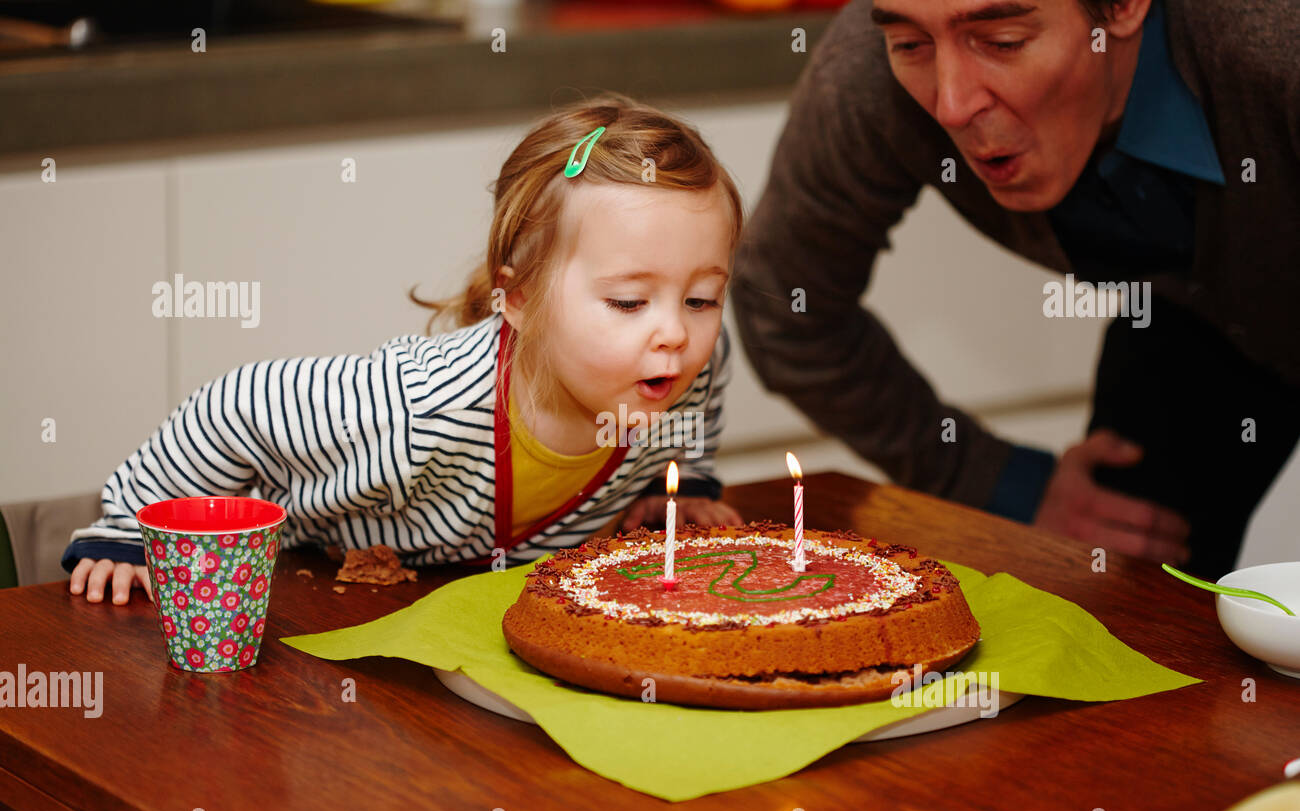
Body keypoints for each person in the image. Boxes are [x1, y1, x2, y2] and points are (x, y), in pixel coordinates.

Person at [66, 94, 743, 605]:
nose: (676, 335)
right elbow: (239, 406)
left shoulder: (684, 363)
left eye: (700, 299)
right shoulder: (413, 407)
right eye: (628, 302)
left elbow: (705, 388)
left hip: (459, 615)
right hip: (318, 591)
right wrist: (130, 530)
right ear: (520, 298)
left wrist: (683, 481)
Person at [731, 0, 1300, 580]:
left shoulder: (1276, 39)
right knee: (1123, 606)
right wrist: (999, 483)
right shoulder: (868, 72)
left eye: (1001, 42)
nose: (951, 105)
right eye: (911, 45)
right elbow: (784, 305)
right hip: (1192, 326)